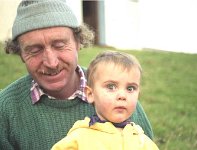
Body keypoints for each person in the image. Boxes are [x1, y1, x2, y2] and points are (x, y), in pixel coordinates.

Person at [0, 0, 153, 149]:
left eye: (59, 45)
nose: (51, 63)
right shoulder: (5, 110)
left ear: (78, 42)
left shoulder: (119, 94)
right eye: (35, 50)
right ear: (20, 54)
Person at [51, 51, 159, 150]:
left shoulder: (143, 142)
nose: (122, 95)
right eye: (111, 87)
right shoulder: (79, 139)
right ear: (90, 94)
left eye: (130, 88)